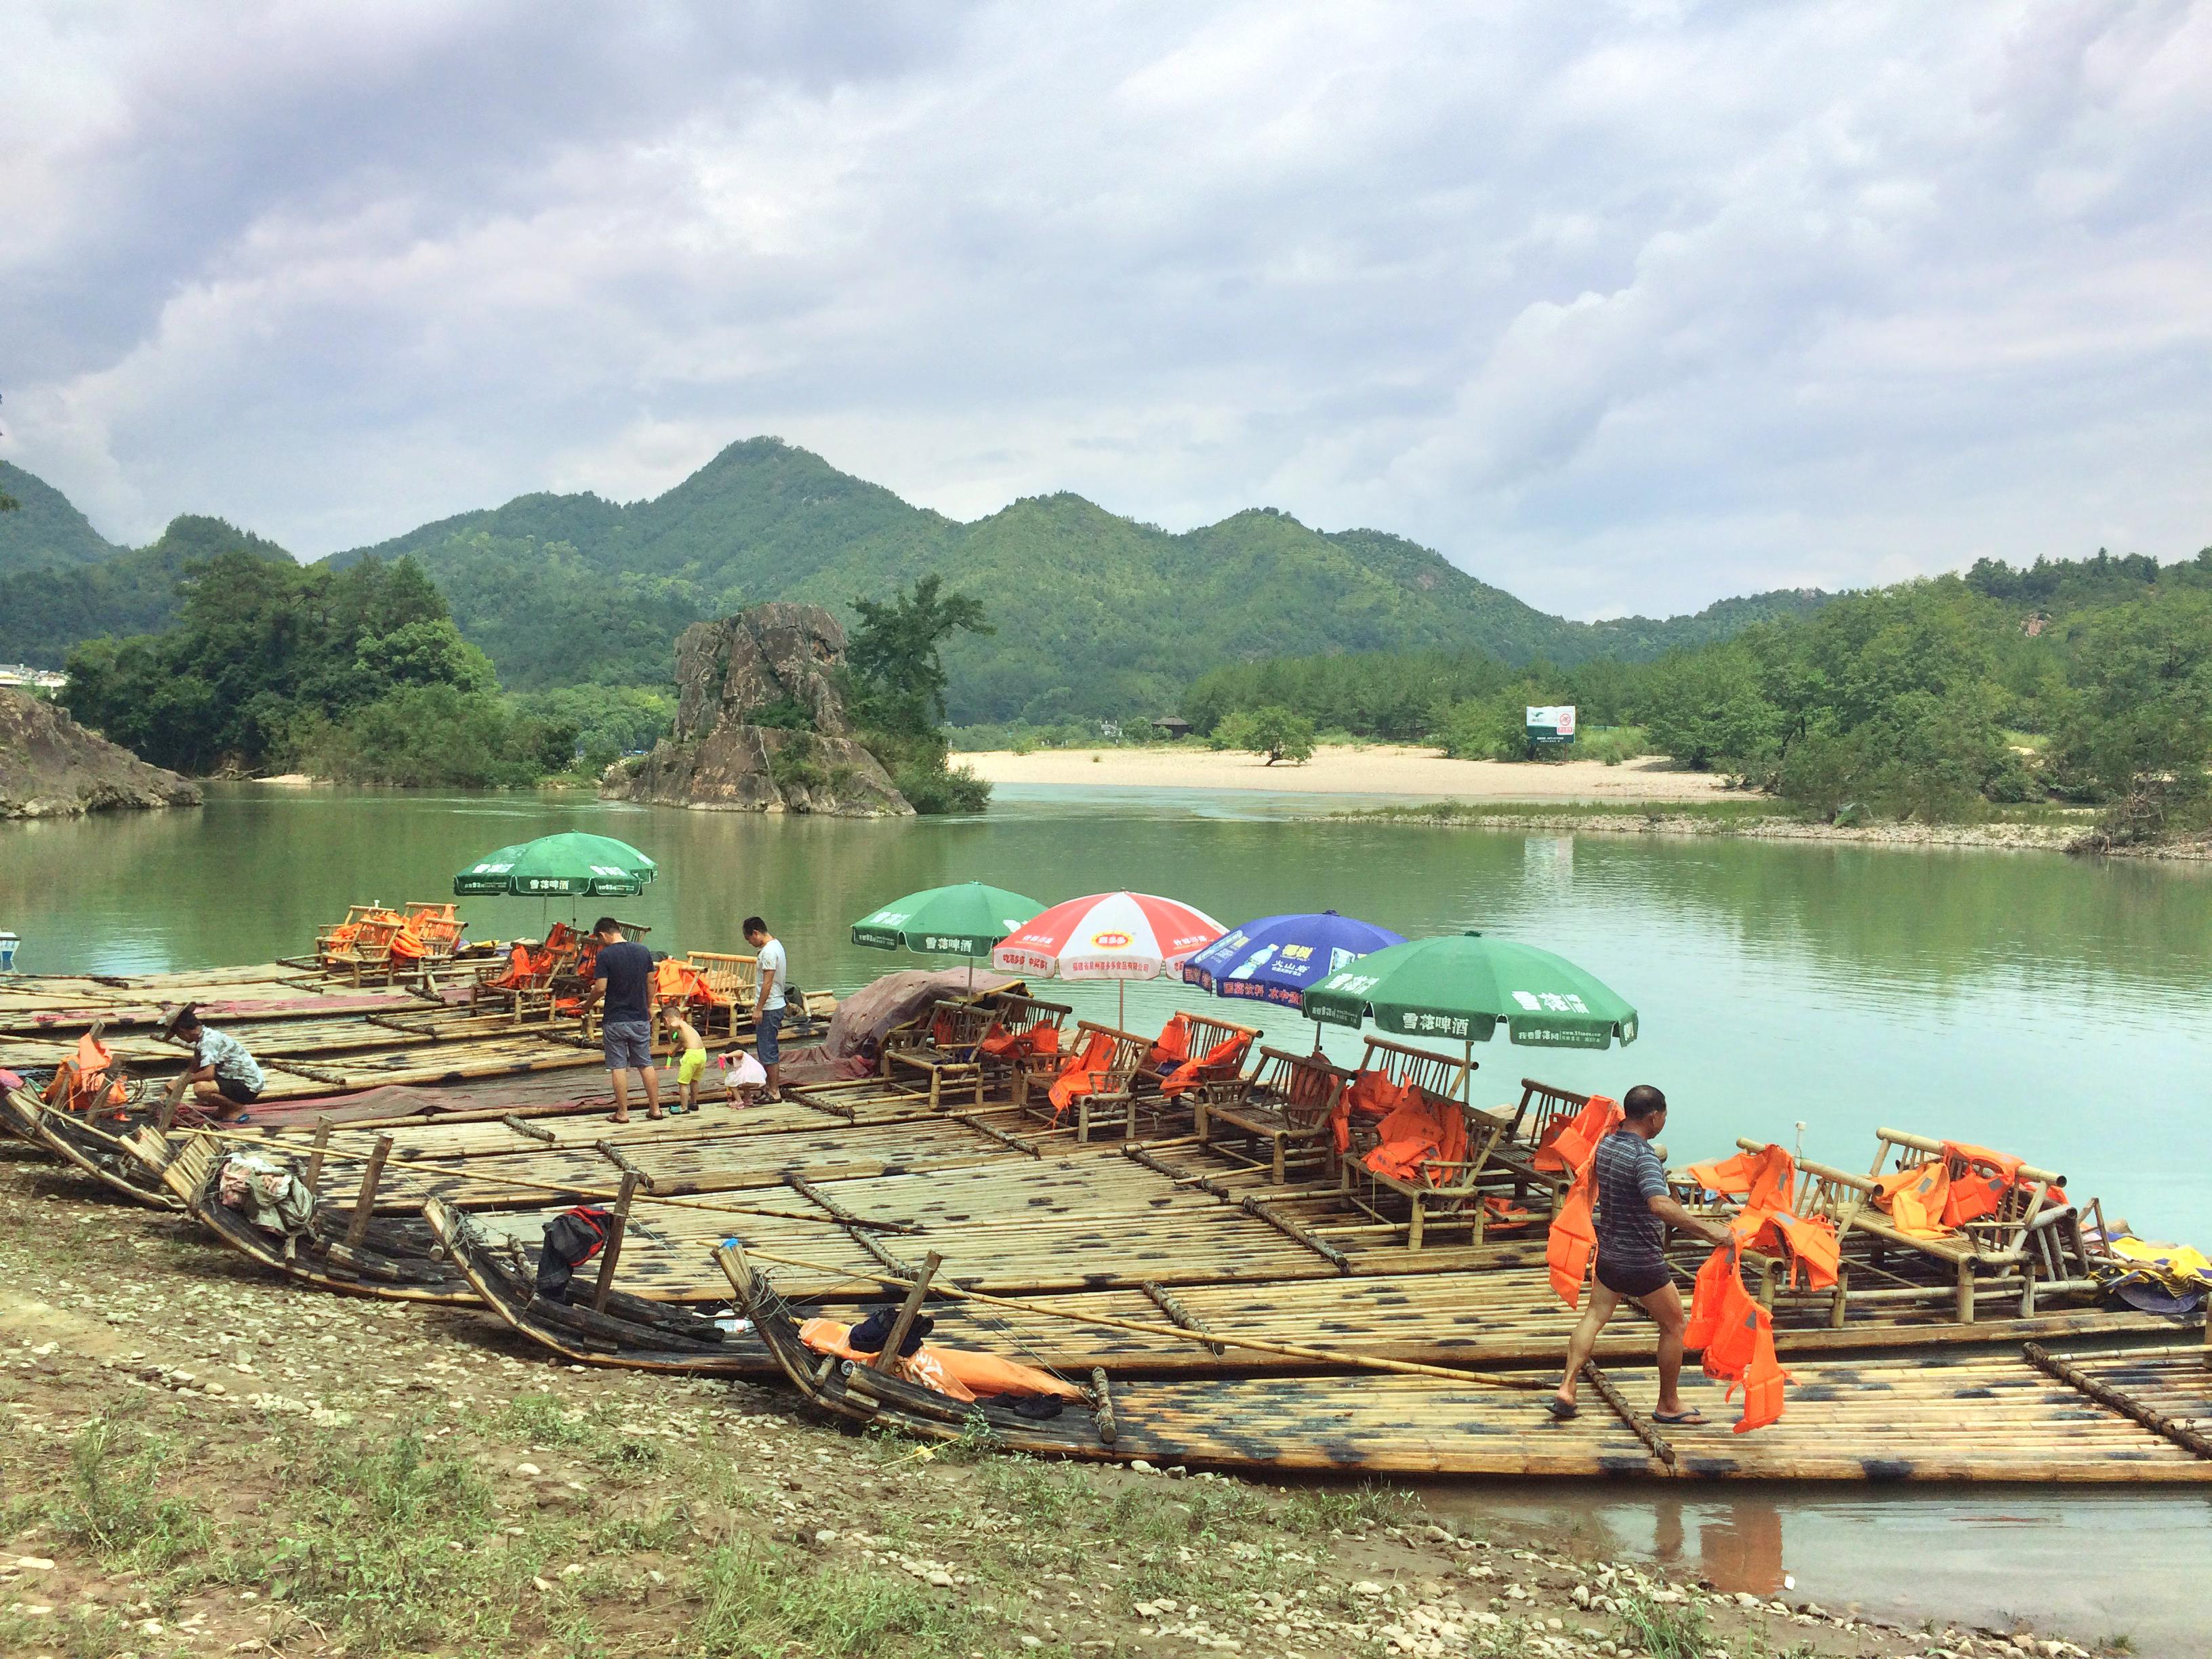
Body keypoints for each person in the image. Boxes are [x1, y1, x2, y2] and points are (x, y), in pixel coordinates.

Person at [1549, 1084, 1727, 1427]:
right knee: (1674, 1324)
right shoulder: (1644, 1157)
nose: (1664, 1121)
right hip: (1642, 1261)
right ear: (1654, 1116)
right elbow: (1658, 1203)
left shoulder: (1608, 1144)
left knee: (1594, 1317)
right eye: (1664, 1115)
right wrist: (1710, 1232)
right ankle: (1669, 1404)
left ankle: (1567, 1387)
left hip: (1609, 1254)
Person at [579, 917, 661, 1124]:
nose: (600, 944)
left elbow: (600, 987)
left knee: (618, 1066)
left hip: (615, 1018)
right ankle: (656, 1109)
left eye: (599, 940)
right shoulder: (643, 951)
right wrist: (648, 1005)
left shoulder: (606, 955)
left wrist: (587, 1006)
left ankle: (623, 1113)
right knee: (645, 1063)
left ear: (603, 934)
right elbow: (651, 981)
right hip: (639, 1016)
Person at [161, 1004, 265, 1122]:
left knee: (201, 1088)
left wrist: (180, 1082)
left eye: (178, 1035)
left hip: (247, 1085)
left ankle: (237, 1108)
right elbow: (193, 1068)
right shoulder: (202, 1039)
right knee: (202, 1084)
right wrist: (176, 1085)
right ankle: (225, 1109)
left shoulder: (208, 1042)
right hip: (232, 1079)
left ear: (183, 1031)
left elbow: (208, 1074)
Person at [743, 915, 787, 1103]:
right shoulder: (775, 946)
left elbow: (767, 983)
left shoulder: (769, 952)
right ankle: (769, 1087)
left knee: (768, 1049)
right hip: (773, 1004)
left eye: (749, 939)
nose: (750, 943)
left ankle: (774, 1091)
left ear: (756, 933)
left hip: (770, 1006)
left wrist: (759, 1008)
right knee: (765, 1047)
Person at [661, 1006, 707, 1114]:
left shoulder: (680, 1024)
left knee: (683, 1083)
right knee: (694, 1080)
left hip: (691, 1055)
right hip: (702, 1054)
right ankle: (694, 1102)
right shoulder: (686, 1028)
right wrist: (674, 1051)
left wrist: (672, 1025)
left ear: (666, 1020)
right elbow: (682, 1042)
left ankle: (683, 1107)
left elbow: (676, 1024)